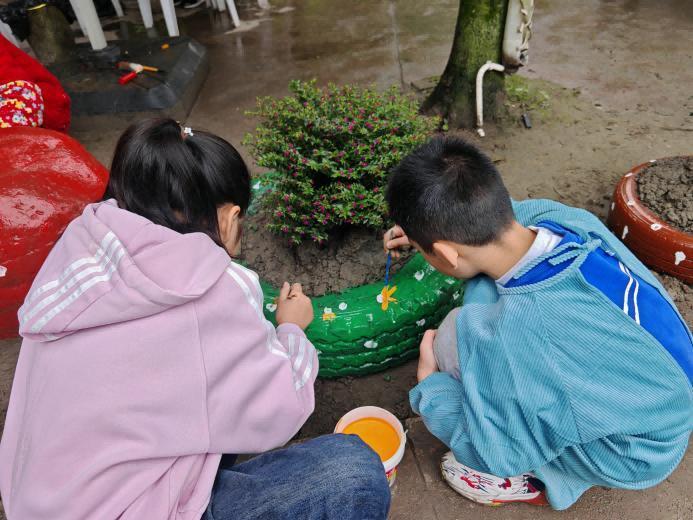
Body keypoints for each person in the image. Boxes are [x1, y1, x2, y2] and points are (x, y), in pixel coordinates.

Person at [0, 118, 390, 519]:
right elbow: (282, 407)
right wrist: (290, 329)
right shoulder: (210, 289)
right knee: (354, 474)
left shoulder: (82, 243)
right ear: (229, 217)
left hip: (43, 501)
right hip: (129, 510)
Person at [383, 134, 692, 510]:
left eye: (422, 251)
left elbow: (495, 451)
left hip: (632, 454)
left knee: (452, 339)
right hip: (661, 396)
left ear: (447, 255)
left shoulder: (524, 339)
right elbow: (497, 218)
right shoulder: (563, 219)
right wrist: (428, 231)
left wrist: (431, 391)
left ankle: (542, 481)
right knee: (479, 314)